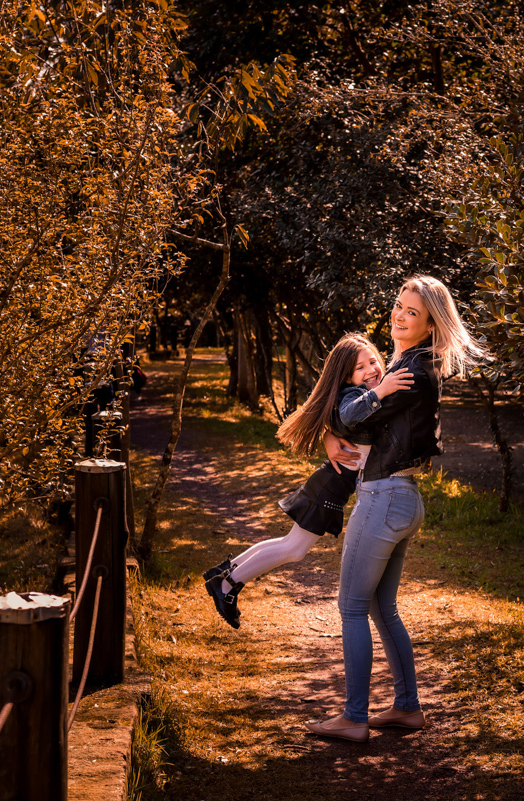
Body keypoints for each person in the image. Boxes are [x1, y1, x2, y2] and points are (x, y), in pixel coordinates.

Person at [305, 275, 487, 742]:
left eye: (412, 312)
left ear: (430, 325)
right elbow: (362, 428)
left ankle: (353, 717)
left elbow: (349, 416)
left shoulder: (404, 373)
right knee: (384, 609)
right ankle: (406, 708)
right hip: (403, 498)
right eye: (399, 306)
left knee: (351, 607)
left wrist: (368, 398)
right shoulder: (415, 364)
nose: (399, 316)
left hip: (385, 497)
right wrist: (337, 429)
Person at [202, 333, 413, 628]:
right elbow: (351, 413)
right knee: (295, 549)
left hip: (330, 484)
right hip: (330, 486)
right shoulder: (353, 397)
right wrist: (382, 390)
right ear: (346, 377)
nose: (371, 370)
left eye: (373, 362)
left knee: (289, 543)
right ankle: (228, 584)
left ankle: (226, 573)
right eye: (360, 368)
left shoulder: (367, 394)